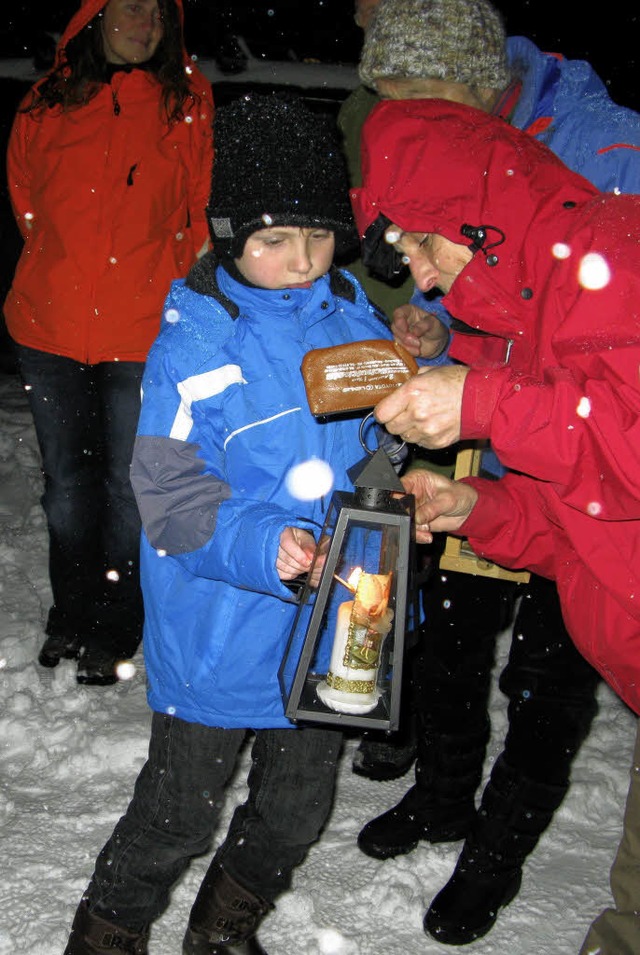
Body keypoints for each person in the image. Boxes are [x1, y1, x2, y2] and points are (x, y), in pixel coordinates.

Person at [63, 91, 397, 955]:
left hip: (334, 622)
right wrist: (261, 542)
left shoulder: (349, 309)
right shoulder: (197, 349)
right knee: (177, 812)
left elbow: (368, 440)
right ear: (230, 236)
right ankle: (106, 935)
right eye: (275, 239)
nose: (300, 259)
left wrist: (393, 496)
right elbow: (171, 497)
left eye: (318, 236)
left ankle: (220, 931)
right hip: (223, 621)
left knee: (295, 811)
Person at [350, 0, 640, 944]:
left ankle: (494, 853)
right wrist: (482, 505)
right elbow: (587, 528)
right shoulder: (532, 291)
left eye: (425, 246)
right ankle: (445, 799)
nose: (422, 279)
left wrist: (480, 403)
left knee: (540, 686)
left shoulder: (613, 243)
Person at [3, 0, 214, 685]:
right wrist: (64, 268)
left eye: (156, 10)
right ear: (94, 16)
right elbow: (27, 199)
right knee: (67, 487)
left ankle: (115, 624)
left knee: (129, 486)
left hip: (144, 326)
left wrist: (171, 280)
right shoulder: (48, 100)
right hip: (50, 321)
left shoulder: (186, 100)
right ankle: (72, 611)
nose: (144, 21)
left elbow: (198, 208)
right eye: (129, 7)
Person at [336, 0, 423, 784]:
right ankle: (342, 673)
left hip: (427, 338)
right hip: (356, 337)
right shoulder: (360, 107)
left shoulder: (448, 101)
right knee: (351, 514)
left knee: (403, 524)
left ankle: (392, 696)